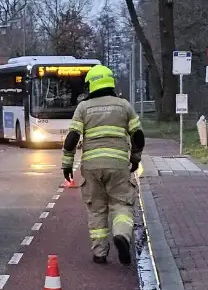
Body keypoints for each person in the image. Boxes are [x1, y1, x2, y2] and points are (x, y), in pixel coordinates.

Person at [61, 65, 145, 265]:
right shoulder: (124, 105)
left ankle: (100, 253)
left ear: (92, 85)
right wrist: (135, 158)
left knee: (97, 209)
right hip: (118, 165)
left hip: (91, 166)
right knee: (121, 204)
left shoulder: (83, 107)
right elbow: (138, 135)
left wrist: (67, 165)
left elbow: (72, 138)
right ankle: (122, 236)